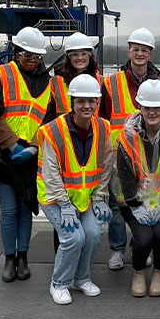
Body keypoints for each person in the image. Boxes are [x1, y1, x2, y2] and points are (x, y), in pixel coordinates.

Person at [0, 26, 51, 283]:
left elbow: (50, 120)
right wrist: (13, 145)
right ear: (17, 53)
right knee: (10, 207)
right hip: (2, 154)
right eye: (28, 56)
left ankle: (23, 256)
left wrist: (34, 148)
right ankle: (9, 258)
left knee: (26, 207)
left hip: (31, 155)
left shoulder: (48, 81)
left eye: (37, 57)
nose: (33, 61)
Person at [36, 74, 114, 304]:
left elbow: (106, 165)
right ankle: (59, 283)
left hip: (86, 195)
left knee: (92, 233)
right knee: (73, 237)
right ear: (72, 103)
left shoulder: (103, 128)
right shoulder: (54, 131)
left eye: (91, 101)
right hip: (54, 197)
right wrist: (64, 204)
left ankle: (81, 278)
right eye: (81, 101)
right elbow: (50, 173)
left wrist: (100, 197)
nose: (87, 106)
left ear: (97, 103)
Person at [116, 80, 160, 297]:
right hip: (132, 201)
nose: (153, 112)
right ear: (140, 107)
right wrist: (136, 206)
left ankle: (158, 272)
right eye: (148, 107)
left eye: (158, 107)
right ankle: (138, 273)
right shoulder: (127, 136)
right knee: (144, 238)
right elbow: (124, 177)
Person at [101, 27, 160, 271]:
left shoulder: (159, 81)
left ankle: (140, 246)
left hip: (149, 153)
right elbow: (103, 118)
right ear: (129, 51)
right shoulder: (111, 82)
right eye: (136, 49)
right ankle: (117, 249)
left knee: (146, 200)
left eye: (144, 50)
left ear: (150, 53)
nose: (139, 54)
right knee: (118, 203)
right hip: (118, 152)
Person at [47, 32, 103, 254]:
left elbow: (104, 113)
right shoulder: (56, 82)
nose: (80, 58)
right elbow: (49, 114)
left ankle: (82, 260)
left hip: (90, 142)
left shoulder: (99, 80)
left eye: (84, 54)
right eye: (75, 54)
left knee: (85, 196)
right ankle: (63, 252)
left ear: (91, 56)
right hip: (64, 144)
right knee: (64, 204)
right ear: (67, 57)